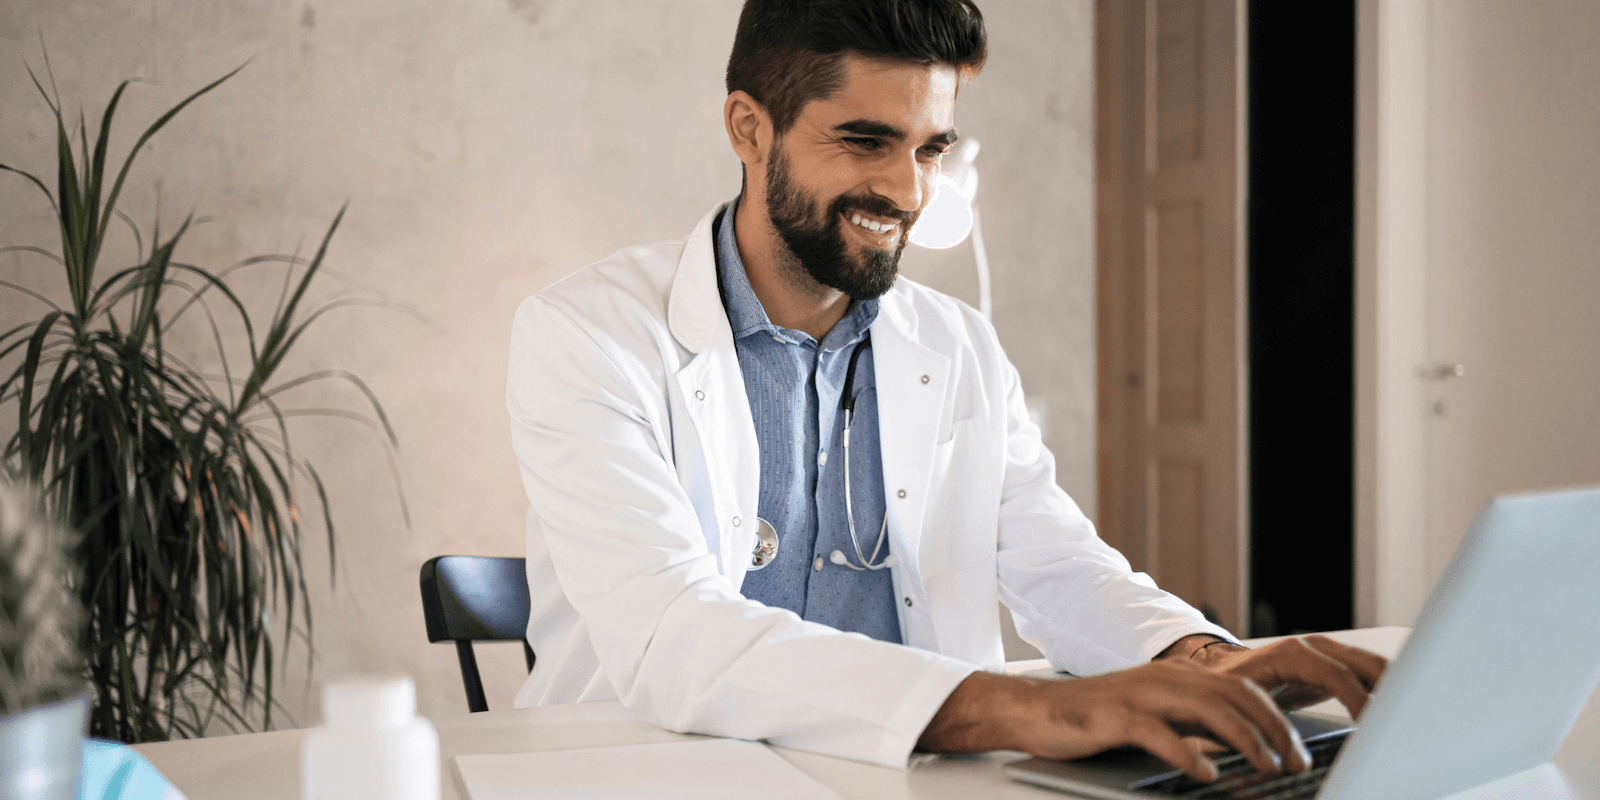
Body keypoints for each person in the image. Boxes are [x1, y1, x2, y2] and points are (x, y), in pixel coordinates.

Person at [506, 0, 1386, 782]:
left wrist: (1200, 658)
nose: (908, 190)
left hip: (910, 777)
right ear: (749, 127)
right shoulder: (587, 335)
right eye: (865, 140)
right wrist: (1043, 710)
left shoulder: (956, 343)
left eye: (931, 148)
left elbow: (1056, 563)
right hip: (654, 775)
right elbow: (675, 636)